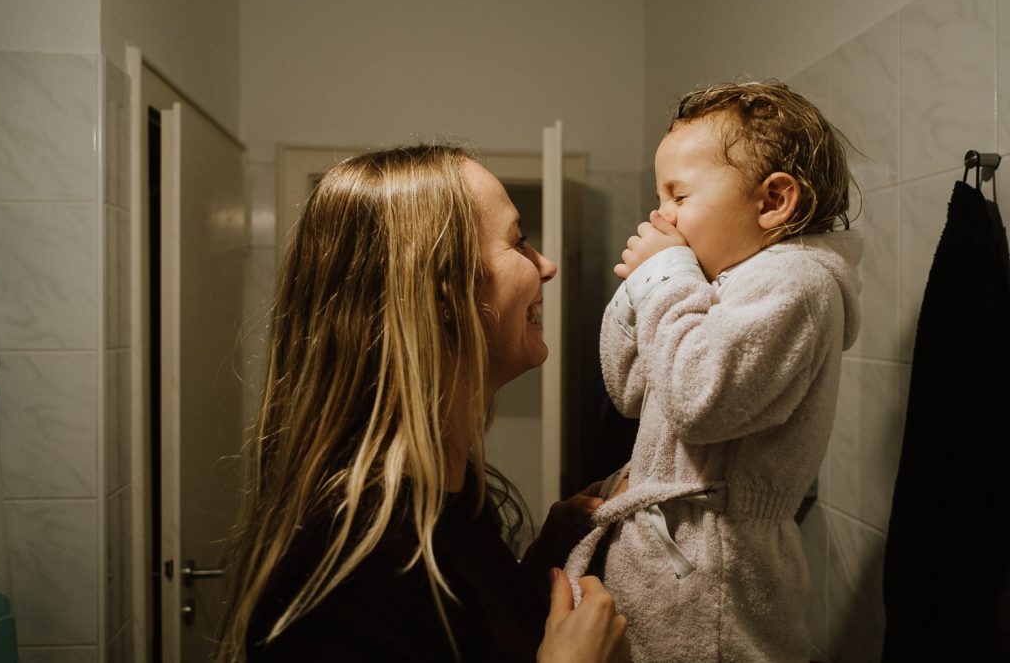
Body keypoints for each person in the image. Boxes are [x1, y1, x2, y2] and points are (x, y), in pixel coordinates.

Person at [215, 144, 629, 662]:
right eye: (517, 242)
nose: (544, 265)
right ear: (440, 292)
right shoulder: (352, 558)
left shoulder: (452, 499)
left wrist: (546, 560)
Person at [563, 81, 862, 662]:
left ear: (774, 202)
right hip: (671, 555)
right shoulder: (713, 284)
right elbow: (630, 391)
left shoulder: (797, 282)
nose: (660, 214)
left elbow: (700, 399)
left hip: (715, 576)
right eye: (659, 196)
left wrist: (667, 278)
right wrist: (638, 296)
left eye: (678, 195)